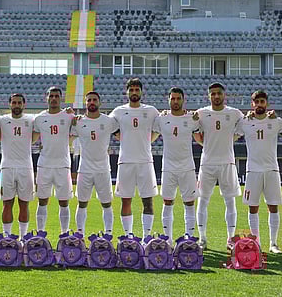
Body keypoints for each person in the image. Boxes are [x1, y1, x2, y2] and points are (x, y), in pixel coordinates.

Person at [194, 82, 243, 250]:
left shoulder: (235, 113)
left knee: (230, 201)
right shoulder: (201, 113)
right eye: (213, 93)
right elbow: (197, 135)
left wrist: (227, 142)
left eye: (218, 93)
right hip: (207, 163)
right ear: (209, 96)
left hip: (227, 163)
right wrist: (208, 145)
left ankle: (230, 238)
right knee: (202, 200)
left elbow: (242, 130)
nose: (216, 96)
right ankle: (202, 238)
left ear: (224, 95)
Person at [109, 77, 159, 240]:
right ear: (127, 92)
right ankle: (128, 236)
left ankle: (146, 237)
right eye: (131, 90)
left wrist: (148, 140)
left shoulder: (151, 111)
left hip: (145, 161)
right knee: (126, 201)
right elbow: (107, 125)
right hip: (125, 162)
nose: (134, 92)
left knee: (148, 202)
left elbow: (159, 127)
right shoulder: (118, 111)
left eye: (137, 89)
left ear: (141, 92)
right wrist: (120, 137)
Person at [236, 90, 282, 254]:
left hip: (271, 169)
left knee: (273, 207)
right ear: (252, 104)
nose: (259, 105)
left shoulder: (276, 121)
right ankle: (256, 242)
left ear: (267, 103)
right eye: (256, 102)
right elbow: (230, 133)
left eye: (262, 102)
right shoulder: (245, 122)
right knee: (253, 208)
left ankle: (273, 243)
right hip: (253, 171)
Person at [153, 87, 199, 244]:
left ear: (183, 100)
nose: (176, 101)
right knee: (167, 202)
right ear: (169, 100)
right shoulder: (161, 119)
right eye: (173, 98)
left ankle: (189, 238)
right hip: (168, 167)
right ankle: (168, 239)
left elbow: (201, 136)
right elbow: (150, 136)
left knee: (189, 203)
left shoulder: (192, 119)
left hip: (187, 166)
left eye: (178, 98)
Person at [70, 91, 118, 235]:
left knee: (107, 204)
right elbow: (68, 136)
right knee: (82, 203)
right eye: (89, 100)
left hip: (103, 169)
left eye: (94, 100)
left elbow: (122, 133)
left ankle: (108, 234)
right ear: (85, 103)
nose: (92, 102)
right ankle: (80, 234)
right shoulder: (78, 122)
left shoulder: (109, 121)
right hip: (84, 169)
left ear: (99, 102)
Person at [0, 93, 39, 238]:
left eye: (19, 103)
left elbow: (46, 118)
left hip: (26, 167)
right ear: (9, 104)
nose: (17, 105)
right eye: (14, 102)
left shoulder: (31, 119)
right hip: (7, 167)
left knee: (24, 204)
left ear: (24, 104)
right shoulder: (2, 120)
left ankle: (23, 237)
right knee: (7, 204)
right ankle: (7, 237)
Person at [33, 87, 74, 234]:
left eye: (57, 96)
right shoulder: (39, 118)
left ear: (61, 98)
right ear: (47, 98)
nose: (54, 98)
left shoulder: (68, 116)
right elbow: (32, 138)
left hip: (63, 165)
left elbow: (76, 129)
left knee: (64, 201)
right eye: (51, 96)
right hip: (44, 164)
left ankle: (64, 233)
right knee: (42, 200)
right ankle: (40, 233)